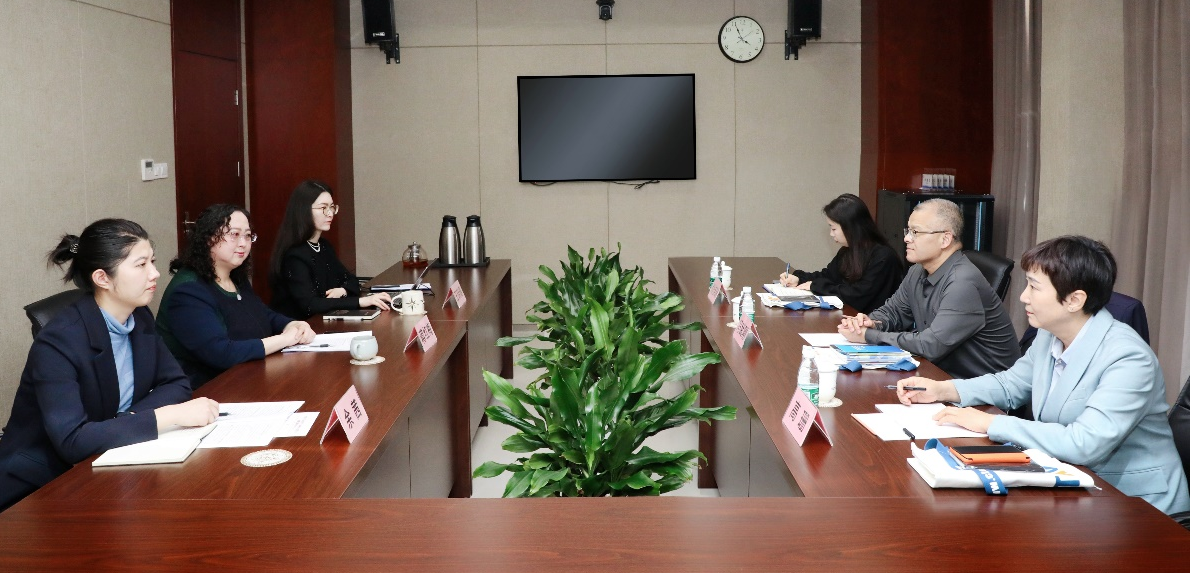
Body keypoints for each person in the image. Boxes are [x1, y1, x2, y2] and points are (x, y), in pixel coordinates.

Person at [895, 236, 1190, 515]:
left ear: (1074, 300)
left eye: (1034, 287)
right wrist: (943, 390)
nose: (1023, 297)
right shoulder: (1050, 334)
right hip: (1070, 483)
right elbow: (1011, 384)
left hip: (1136, 505)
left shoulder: (1128, 357)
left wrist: (991, 423)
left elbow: (1085, 443)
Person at [0, 219, 219, 511]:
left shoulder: (138, 316)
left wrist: (128, 420)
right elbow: (73, 441)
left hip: (108, 460)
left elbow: (176, 382)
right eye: (141, 265)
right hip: (39, 486)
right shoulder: (58, 342)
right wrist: (166, 416)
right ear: (102, 278)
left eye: (152, 261)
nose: (154, 273)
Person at [839, 198, 1020, 379]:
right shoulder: (918, 270)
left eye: (915, 232)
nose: (906, 238)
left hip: (983, 386)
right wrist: (871, 322)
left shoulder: (962, 283)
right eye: (908, 231)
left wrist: (869, 336)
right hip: (940, 373)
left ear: (945, 239)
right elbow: (895, 312)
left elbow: (930, 345)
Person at [157, 204, 315, 388]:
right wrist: (285, 339)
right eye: (234, 234)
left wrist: (293, 325)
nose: (243, 243)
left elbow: (262, 315)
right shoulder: (188, 291)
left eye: (247, 235)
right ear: (208, 238)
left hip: (247, 377)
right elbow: (222, 353)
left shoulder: (235, 277)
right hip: (205, 390)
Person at [269, 180, 391, 319]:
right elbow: (310, 305)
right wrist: (360, 301)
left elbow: (351, 280)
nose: (330, 213)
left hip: (322, 321)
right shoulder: (294, 256)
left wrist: (343, 291)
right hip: (298, 327)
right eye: (323, 208)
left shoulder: (323, 246)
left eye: (332, 207)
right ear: (304, 210)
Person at [778, 193, 903, 313]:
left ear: (851, 227)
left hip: (873, 322)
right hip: (850, 318)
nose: (831, 234)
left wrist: (815, 286)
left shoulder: (883, 257)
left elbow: (858, 295)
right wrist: (799, 279)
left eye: (833, 228)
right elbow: (828, 276)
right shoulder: (847, 251)